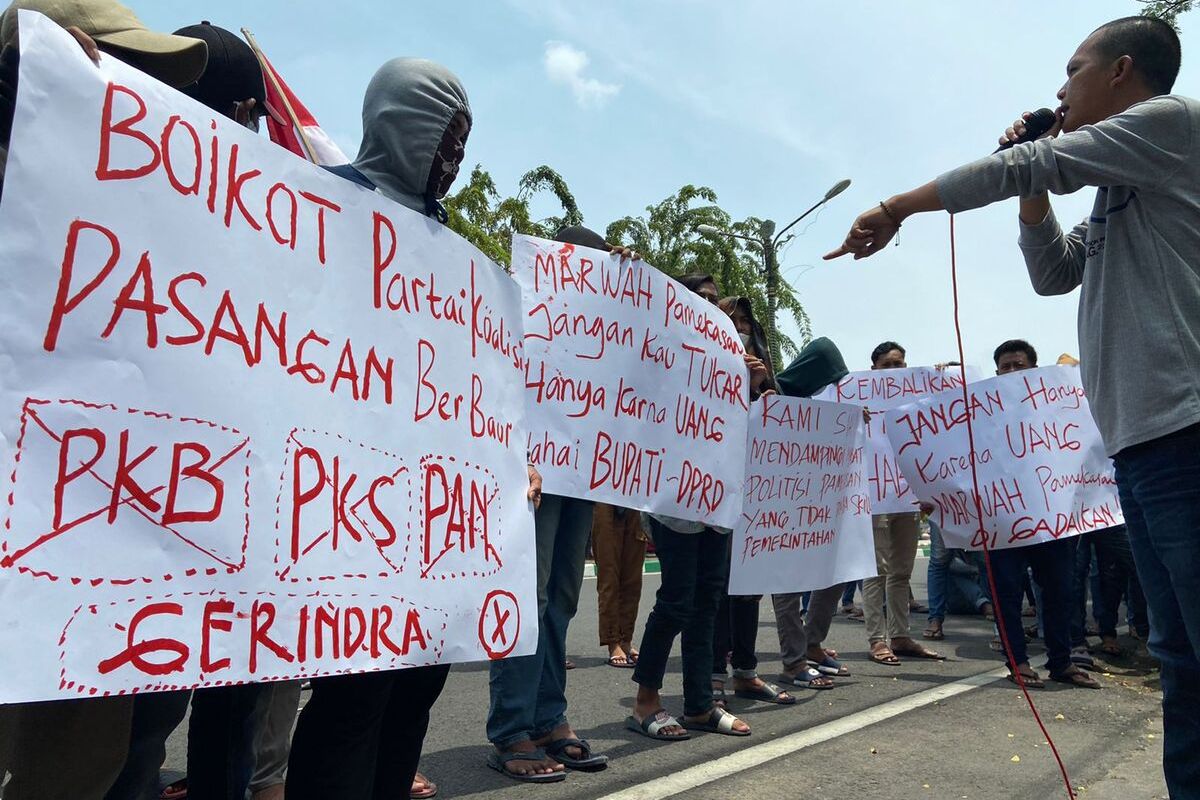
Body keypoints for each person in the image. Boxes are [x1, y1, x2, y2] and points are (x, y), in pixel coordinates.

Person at [827, 18, 1198, 792]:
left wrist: (897, 207)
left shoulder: (1169, 123)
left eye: (1074, 70)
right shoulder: (1116, 186)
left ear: (1123, 70)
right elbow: (1055, 274)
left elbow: (1036, 161)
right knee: (1177, 655)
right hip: (1141, 445)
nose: (1060, 90)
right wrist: (1032, 187)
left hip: (1185, 432)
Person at [285, 56, 542, 799]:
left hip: (433, 526)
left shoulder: (450, 250)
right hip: (352, 509)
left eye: (464, 149)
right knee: (353, 701)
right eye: (444, 143)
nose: (454, 164)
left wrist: (509, 461)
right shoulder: (322, 207)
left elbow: (473, 388)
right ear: (402, 126)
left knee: (415, 692)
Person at [0, 3, 206, 797]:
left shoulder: (156, 228)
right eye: (112, 65)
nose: (140, 95)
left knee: (97, 767)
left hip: (108, 604)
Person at [485, 224, 625, 784]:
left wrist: (630, 279)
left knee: (562, 598)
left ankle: (549, 717)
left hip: (581, 475)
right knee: (529, 596)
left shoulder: (601, 328)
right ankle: (511, 729)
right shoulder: (522, 311)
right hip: (535, 473)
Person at [625, 274, 768, 742]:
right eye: (702, 300)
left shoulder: (733, 363)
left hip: (716, 502)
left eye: (717, 301)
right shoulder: (664, 347)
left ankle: (699, 705)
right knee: (676, 602)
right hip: (674, 504)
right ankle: (646, 700)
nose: (715, 309)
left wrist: (752, 387)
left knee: (708, 601)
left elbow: (733, 431)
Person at [709, 297, 794, 706]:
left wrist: (759, 387)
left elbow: (784, 434)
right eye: (731, 321)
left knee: (748, 591)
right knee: (719, 591)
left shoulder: (763, 383)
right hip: (715, 494)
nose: (739, 327)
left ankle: (745, 672)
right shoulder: (702, 371)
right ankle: (712, 677)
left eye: (745, 322)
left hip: (757, 498)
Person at [769, 336, 856, 688]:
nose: (827, 387)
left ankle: (813, 644)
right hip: (772, 511)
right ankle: (793, 661)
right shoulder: (769, 394)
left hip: (809, 508)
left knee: (836, 573)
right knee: (786, 588)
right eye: (826, 377)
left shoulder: (808, 403)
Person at [860, 341, 943, 666]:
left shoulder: (916, 399)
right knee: (876, 571)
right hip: (876, 497)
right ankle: (877, 640)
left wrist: (937, 380)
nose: (896, 370)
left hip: (908, 497)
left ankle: (900, 635)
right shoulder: (860, 398)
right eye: (888, 365)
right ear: (874, 370)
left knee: (901, 572)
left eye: (900, 364)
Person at [592, 503, 647, 668]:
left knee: (633, 578)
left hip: (636, 496)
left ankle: (626, 640)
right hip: (604, 495)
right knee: (608, 575)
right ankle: (612, 642)